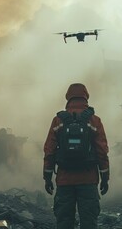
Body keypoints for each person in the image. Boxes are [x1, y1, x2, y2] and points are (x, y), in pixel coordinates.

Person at [43, 83, 110, 229]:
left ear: (68, 98)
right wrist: (105, 178)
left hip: (64, 180)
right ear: (86, 98)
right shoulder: (94, 120)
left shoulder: (58, 121)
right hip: (88, 179)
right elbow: (102, 151)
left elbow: (49, 151)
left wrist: (47, 178)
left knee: (64, 222)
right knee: (89, 222)